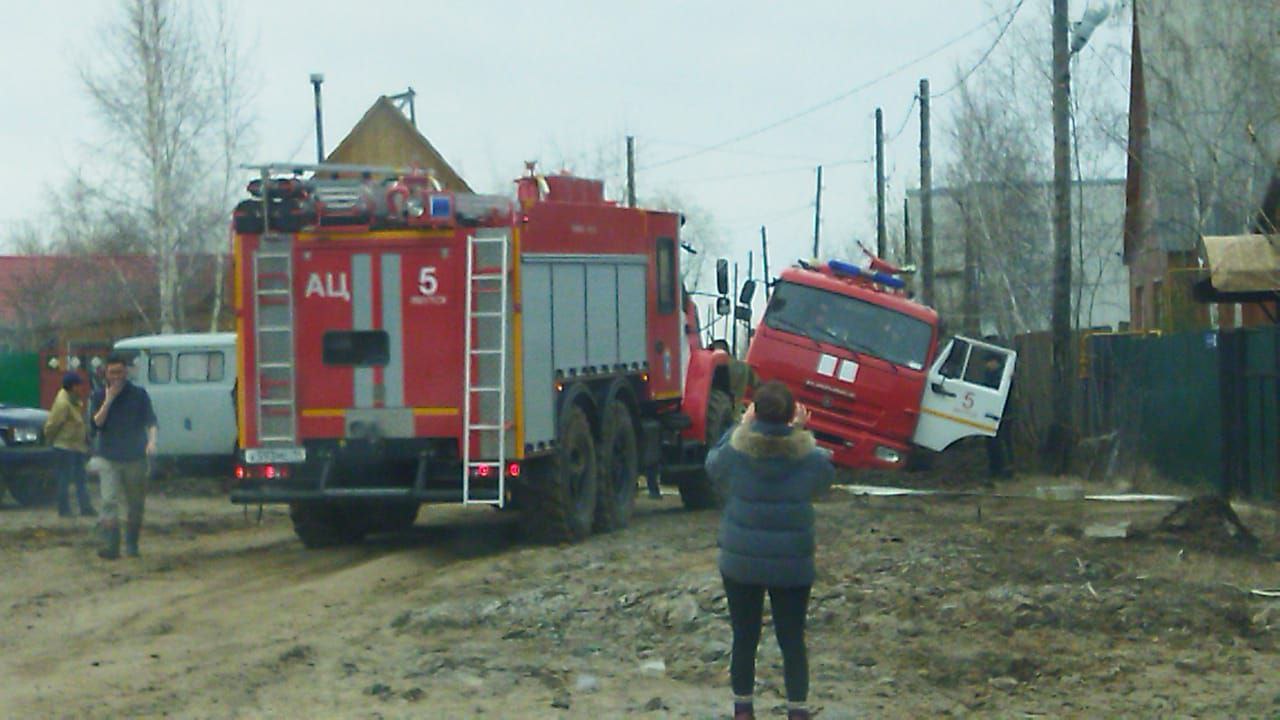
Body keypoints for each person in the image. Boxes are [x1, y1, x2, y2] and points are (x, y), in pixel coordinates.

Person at [705, 381, 835, 720]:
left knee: (745, 637)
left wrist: (739, 425)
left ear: (754, 412)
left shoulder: (735, 451)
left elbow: (712, 467)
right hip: (792, 563)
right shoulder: (809, 456)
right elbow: (825, 479)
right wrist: (802, 432)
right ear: (794, 414)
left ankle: (744, 710)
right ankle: (797, 711)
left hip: (741, 562)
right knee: (792, 639)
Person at [89, 352, 158, 559]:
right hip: (108, 457)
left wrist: (152, 442)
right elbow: (96, 424)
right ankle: (111, 546)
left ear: (126, 372)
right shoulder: (99, 395)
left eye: (120, 372)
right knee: (109, 501)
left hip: (135, 458)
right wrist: (109, 400)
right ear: (106, 374)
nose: (116, 376)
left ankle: (132, 544)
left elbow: (151, 421)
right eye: (112, 373)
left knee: (135, 504)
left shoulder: (139, 394)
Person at [44, 371, 95, 518]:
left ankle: (85, 508)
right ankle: (64, 510)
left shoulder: (74, 400)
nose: (82, 388)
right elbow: (52, 425)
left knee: (81, 479)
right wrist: (51, 440)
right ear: (73, 387)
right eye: (79, 385)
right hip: (64, 447)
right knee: (64, 480)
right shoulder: (63, 403)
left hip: (76, 446)